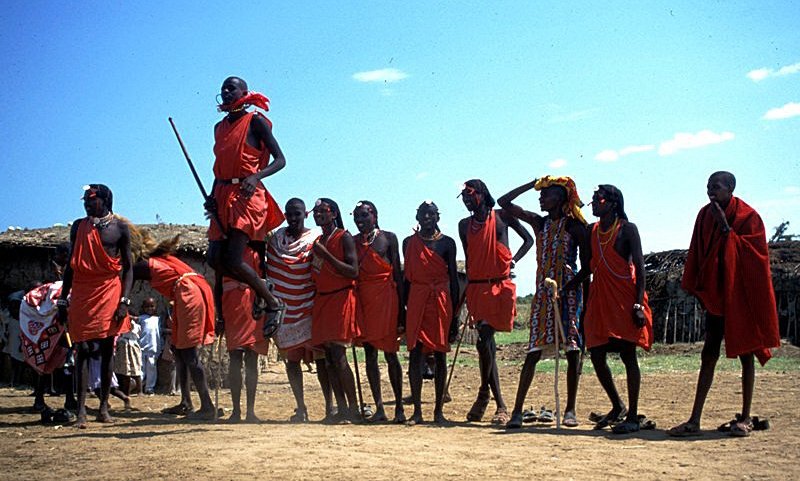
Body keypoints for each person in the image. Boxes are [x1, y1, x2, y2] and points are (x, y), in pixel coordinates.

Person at [668, 171, 781, 438]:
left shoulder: (748, 217)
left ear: (730, 188)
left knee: (746, 354)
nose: (710, 191)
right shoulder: (704, 215)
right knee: (708, 354)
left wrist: (726, 229)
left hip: (739, 297)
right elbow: (698, 250)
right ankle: (694, 419)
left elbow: (755, 257)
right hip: (717, 298)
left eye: (716, 187)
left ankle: (744, 418)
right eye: (708, 186)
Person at [498, 176, 589, 429]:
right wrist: (531, 184)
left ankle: (570, 409)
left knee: (572, 350)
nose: (540, 198)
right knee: (534, 351)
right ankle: (517, 411)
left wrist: (568, 288)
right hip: (543, 293)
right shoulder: (540, 223)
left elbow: (587, 266)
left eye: (546, 194)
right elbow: (503, 202)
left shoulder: (576, 227)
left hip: (569, 292)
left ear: (560, 199)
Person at [206, 76, 287, 342]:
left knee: (231, 259)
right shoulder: (219, 128)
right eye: (223, 88)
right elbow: (220, 168)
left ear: (244, 92)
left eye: (231, 88)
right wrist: (211, 196)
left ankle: (273, 302)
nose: (226, 92)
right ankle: (263, 287)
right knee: (214, 259)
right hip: (223, 194)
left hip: (247, 195)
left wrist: (256, 176)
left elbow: (281, 160)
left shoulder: (255, 121)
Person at [569, 185, 653, 434]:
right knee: (596, 352)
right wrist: (568, 287)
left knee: (628, 354)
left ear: (613, 203)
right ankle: (618, 405)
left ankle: (634, 416)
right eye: (593, 199)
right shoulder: (591, 231)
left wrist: (638, 306)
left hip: (624, 299)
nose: (594, 203)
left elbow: (640, 268)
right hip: (600, 299)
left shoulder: (628, 230)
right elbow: (587, 268)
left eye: (599, 199)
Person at [57, 184, 133, 429]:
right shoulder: (79, 227)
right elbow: (70, 265)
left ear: (105, 200)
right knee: (82, 348)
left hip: (109, 289)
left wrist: (124, 300)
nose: (87, 204)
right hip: (81, 290)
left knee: (107, 346)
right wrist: (62, 299)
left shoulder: (120, 227)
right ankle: (80, 411)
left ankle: (102, 408)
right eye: (85, 200)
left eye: (92, 199)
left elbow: (129, 268)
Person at [458, 179, 533, 424]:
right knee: (484, 341)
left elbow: (528, 240)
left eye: (470, 194)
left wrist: (513, 261)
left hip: (500, 285)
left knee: (485, 342)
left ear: (482, 194)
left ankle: (485, 393)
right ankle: (498, 403)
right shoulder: (464, 225)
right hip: (477, 288)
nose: (467, 199)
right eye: (463, 196)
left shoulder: (502, 217)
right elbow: (471, 260)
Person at [130, 231, 217, 420]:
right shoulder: (161, 260)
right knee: (178, 349)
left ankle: (207, 406)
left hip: (189, 294)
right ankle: (186, 402)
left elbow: (125, 274)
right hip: (186, 294)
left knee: (189, 352)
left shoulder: (144, 265)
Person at [267, 198, 333, 422]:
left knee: (322, 358)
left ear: (305, 214)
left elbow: (321, 270)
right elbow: (271, 269)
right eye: (289, 214)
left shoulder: (315, 238)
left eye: (297, 214)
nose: (293, 218)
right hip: (285, 308)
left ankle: (330, 406)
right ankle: (301, 408)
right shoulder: (276, 240)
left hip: (309, 306)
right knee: (292, 360)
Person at [403, 201, 461, 425]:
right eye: (422, 214)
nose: (426, 217)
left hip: (440, 301)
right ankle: (416, 411)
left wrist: (455, 314)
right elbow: (407, 277)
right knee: (415, 353)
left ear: (438, 216)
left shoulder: (447, 243)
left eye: (431, 214)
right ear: (417, 217)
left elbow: (454, 280)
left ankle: (438, 412)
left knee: (439, 354)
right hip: (417, 299)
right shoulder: (409, 243)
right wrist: (404, 309)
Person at [351, 201, 406, 423]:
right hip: (363, 300)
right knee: (370, 354)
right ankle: (380, 408)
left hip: (386, 300)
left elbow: (398, 275)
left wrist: (402, 309)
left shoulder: (389, 238)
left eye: (364, 216)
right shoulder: (352, 241)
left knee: (391, 353)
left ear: (374, 215)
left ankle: (400, 407)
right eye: (356, 217)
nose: (360, 220)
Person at [309, 198, 361, 423]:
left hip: (340, 298)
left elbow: (353, 271)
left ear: (334, 214)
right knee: (328, 358)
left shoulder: (344, 237)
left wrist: (326, 256)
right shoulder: (319, 239)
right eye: (316, 211)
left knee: (339, 356)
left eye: (323, 211)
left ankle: (353, 408)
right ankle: (340, 408)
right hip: (323, 300)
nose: (318, 214)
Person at [220, 244, 270, 423]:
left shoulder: (255, 254)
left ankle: (250, 411)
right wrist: (220, 314)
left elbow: (261, 281)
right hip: (232, 305)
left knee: (252, 357)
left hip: (252, 305)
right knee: (235, 356)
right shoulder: (225, 252)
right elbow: (219, 283)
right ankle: (236, 410)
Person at [113, 315, 142, 396]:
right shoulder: (121, 323)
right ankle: (125, 391)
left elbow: (131, 328)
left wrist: (130, 319)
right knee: (125, 370)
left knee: (135, 369)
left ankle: (140, 390)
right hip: (123, 348)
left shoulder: (135, 325)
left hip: (132, 348)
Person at [138, 298, 161, 395]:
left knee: (151, 368)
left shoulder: (158, 319)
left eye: (152, 306)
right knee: (141, 368)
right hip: (142, 348)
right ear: (143, 308)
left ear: (155, 307)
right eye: (147, 306)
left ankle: (149, 387)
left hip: (153, 348)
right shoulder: (141, 318)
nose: (149, 308)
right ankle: (139, 387)